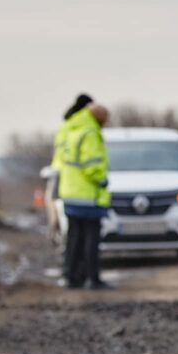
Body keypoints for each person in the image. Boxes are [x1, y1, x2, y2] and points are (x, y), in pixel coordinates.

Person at [56, 101, 111, 289]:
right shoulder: (91, 133)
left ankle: (71, 276)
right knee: (91, 239)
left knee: (74, 238)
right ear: (100, 119)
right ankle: (92, 278)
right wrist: (101, 179)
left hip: (70, 193)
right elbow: (92, 165)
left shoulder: (72, 130)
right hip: (87, 195)